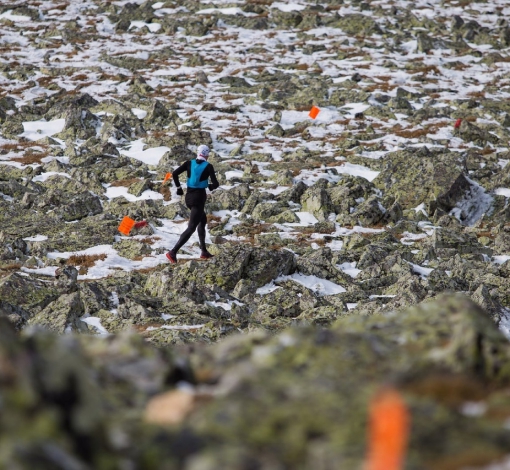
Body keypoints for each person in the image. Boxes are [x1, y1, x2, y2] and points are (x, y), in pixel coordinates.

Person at [166, 144, 219, 264]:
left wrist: (179, 188)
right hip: (199, 198)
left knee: (202, 220)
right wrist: (209, 186)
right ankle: (173, 252)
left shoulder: (188, 163)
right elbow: (216, 184)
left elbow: (174, 174)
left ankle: (204, 251)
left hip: (188, 197)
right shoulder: (208, 166)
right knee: (191, 227)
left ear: (197, 153)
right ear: (207, 155)